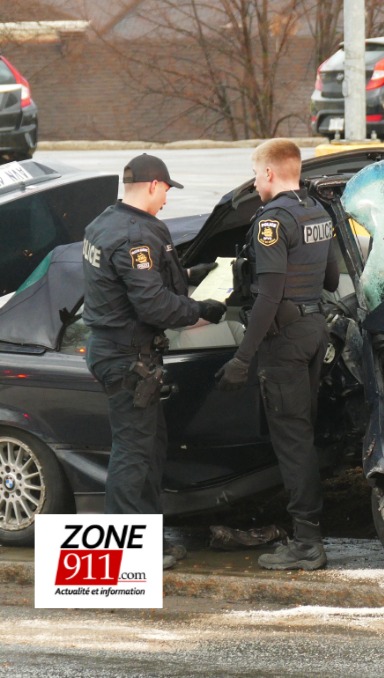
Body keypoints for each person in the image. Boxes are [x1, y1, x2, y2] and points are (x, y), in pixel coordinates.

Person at [82, 153, 227, 570]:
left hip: (116, 350)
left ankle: (147, 541)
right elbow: (154, 306)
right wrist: (201, 308)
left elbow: (134, 284)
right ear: (151, 186)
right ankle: (124, 555)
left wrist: (191, 274)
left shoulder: (103, 222)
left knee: (149, 447)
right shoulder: (135, 237)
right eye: (166, 189)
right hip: (128, 358)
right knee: (133, 454)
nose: (166, 198)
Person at [214, 139, 339, 571]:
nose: (254, 181)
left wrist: (242, 359)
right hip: (313, 332)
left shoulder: (272, 221)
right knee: (301, 433)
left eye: (256, 173)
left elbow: (267, 298)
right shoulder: (317, 212)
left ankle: (307, 543)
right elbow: (331, 277)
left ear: (268, 173)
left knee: (293, 441)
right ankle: (304, 530)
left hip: (283, 341)